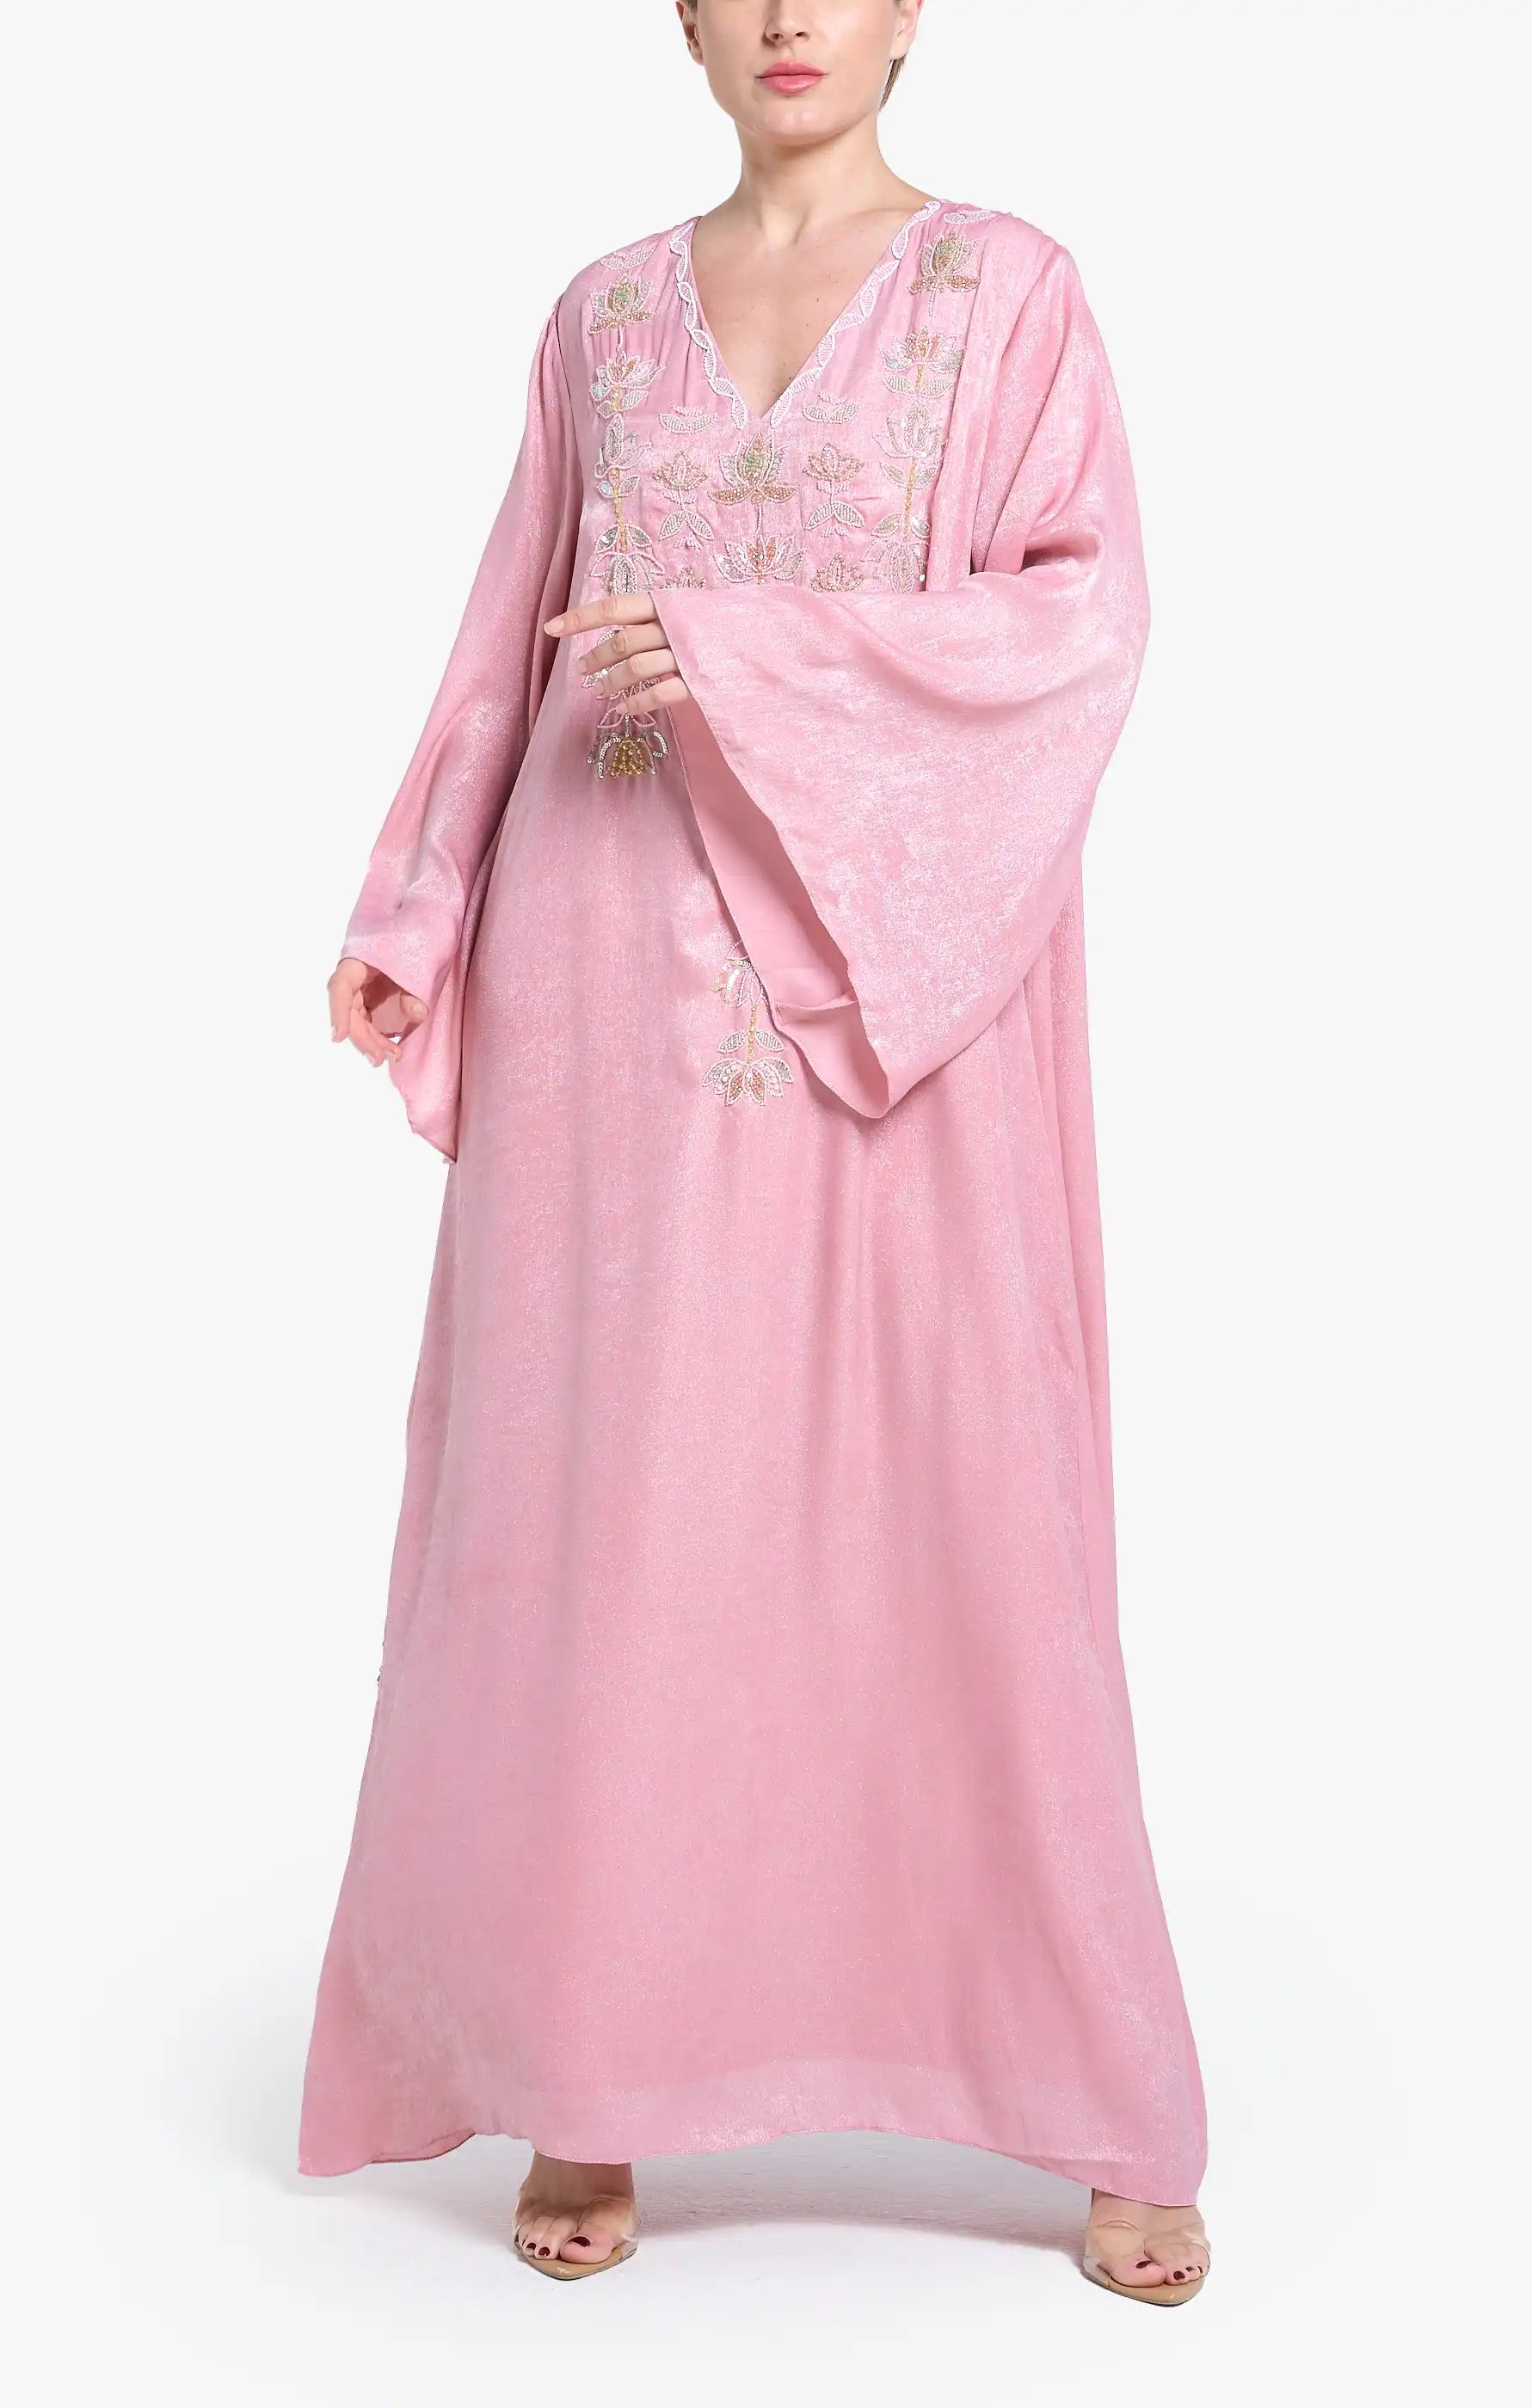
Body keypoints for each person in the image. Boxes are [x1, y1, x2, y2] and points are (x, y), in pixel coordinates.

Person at [305, 0, 1211, 2304]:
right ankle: (593, 2063)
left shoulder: (1008, 292)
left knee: (960, 1499)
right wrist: (417, 901)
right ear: (683, 17)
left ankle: (1091, 2092)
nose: (793, 15)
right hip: (607, 993)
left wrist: (750, 657)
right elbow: (506, 639)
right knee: (608, 1512)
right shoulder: (600, 318)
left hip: (898, 988)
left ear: (915, 11)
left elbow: (1078, 624)